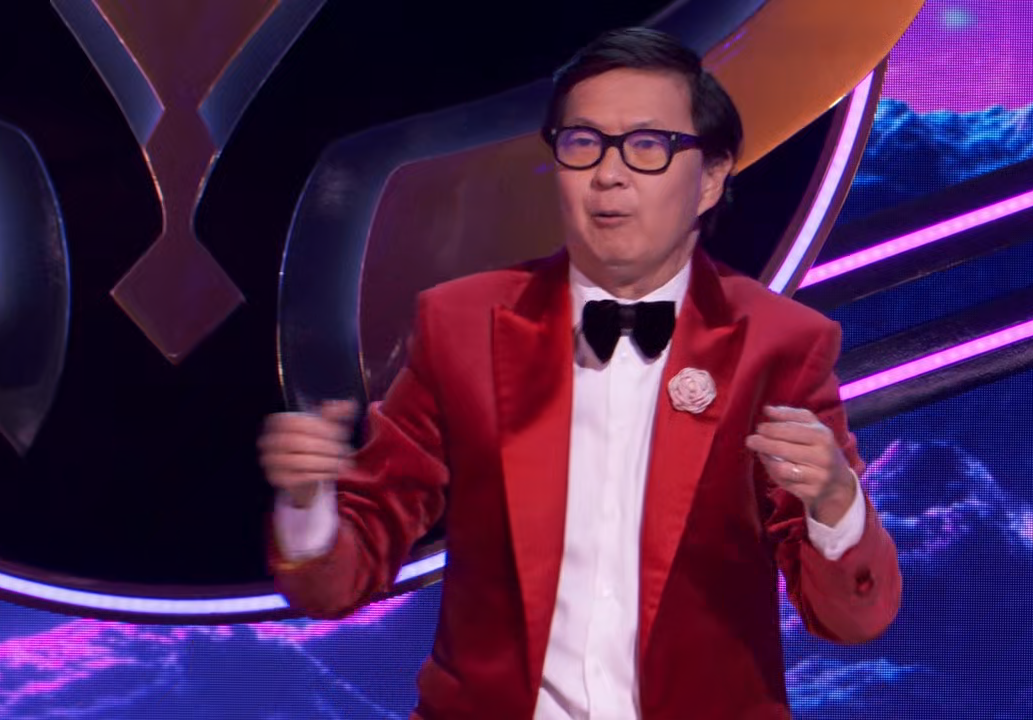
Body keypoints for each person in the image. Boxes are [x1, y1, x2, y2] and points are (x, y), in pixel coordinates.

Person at [259, 27, 900, 719]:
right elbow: (341, 577)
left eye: (648, 146)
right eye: (583, 143)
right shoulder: (462, 325)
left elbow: (852, 618)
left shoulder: (779, 344)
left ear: (711, 178)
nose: (609, 174)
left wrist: (835, 502)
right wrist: (308, 505)